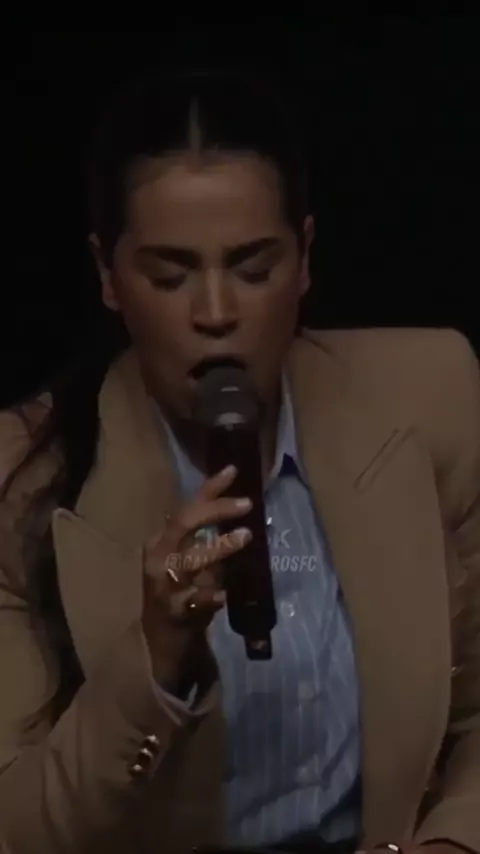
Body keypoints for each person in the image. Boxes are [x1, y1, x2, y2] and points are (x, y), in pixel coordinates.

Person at [0, 68, 479, 854]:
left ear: (305, 258)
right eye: (170, 275)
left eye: (254, 269)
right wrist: (155, 663)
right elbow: (17, 827)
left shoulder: (431, 397)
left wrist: (451, 845)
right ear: (108, 276)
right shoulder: (19, 477)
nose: (216, 313)